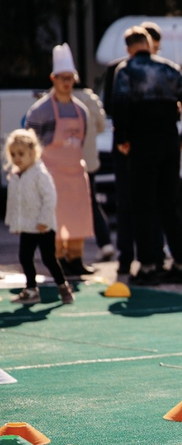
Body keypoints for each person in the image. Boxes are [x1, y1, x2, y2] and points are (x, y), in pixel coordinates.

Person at [113, 26, 182, 285]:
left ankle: (149, 266)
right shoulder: (169, 69)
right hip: (169, 141)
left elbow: (121, 104)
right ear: (150, 44)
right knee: (169, 205)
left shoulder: (126, 70)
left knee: (142, 205)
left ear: (129, 48)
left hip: (142, 142)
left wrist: (122, 138)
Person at [25, 43, 95, 278]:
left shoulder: (81, 110)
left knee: (78, 217)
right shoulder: (40, 111)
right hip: (50, 174)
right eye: (62, 77)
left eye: (70, 78)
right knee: (53, 218)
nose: (66, 82)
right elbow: (30, 143)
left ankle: (75, 258)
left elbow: (83, 138)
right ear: (53, 78)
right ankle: (55, 259)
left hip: (75, 172)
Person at [104, 21, 166, 277]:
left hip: (148, 145)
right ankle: (127, 256)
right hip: (127, 146)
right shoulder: (119, 70)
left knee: (153, 202)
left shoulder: (162, 70)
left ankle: (154, 256)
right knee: (128, 202)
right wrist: (123, 138)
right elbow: (113, 106)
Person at [3, 129, 74, 304]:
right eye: (13, 154)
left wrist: (44, 220)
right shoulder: (16, 176)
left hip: (43, 227)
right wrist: (14, 223)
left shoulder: (39, 173)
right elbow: (15, 202)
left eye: (21, 154)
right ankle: (31, 290)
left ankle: (63, 287)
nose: (17, 158)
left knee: (49, 259)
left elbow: (50, 198)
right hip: (28, 226)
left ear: (33, 153)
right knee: (25, 257)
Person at [73, 84, 114, 262]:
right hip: (89, 160)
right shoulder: (91, 98)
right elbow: (101, 125)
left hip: (69, 161)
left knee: (69, 205)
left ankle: (70, 253)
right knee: (91, 202)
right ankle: (105, 243)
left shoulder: (60, 99)